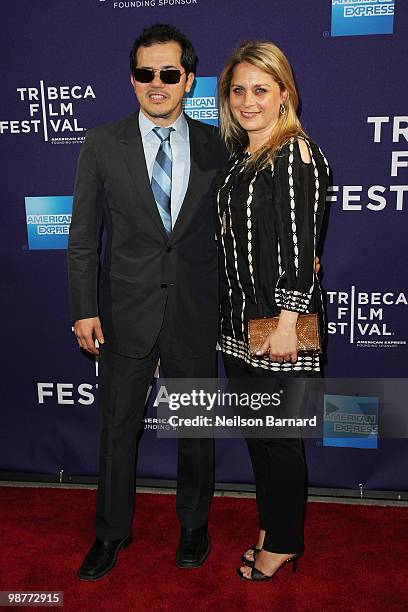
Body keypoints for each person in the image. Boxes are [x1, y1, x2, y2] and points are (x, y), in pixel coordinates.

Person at [67, 23, 228, 580]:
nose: (155, 84)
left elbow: (239, 230)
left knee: (196, 431)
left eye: (168, 73)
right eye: (144, 73)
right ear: (132, 78)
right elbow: (84, 236)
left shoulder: (218, 144)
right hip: (123, 312)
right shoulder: (101, 143)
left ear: (188, 79)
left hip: (194, 312)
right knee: (116, 431)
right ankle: (110, 533)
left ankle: (194, 526)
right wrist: (83, 308)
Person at [216, 41, 329, 581]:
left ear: (284, 94)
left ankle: (283, 543)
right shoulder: (245, 159)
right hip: (242, 323)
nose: (247, 100)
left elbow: (301, 244)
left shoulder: (294, 155)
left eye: (261, 89)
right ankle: (272, 526)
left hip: (281, 322)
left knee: (280, 440)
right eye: (238, 89)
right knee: (260, 438)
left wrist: (288, 321)